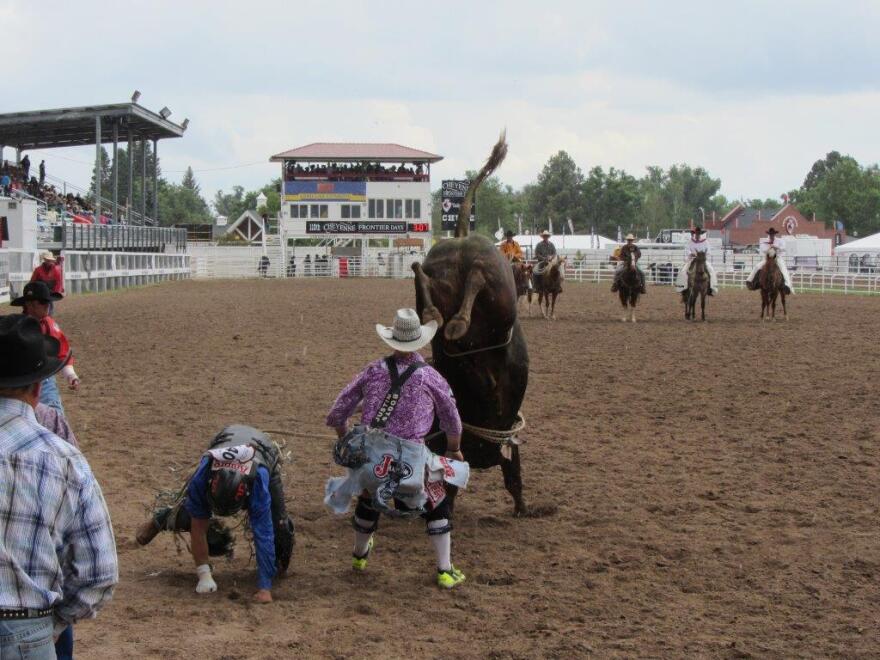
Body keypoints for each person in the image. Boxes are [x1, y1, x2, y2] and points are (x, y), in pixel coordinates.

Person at [0, 314, 118, 658]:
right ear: (38, 388)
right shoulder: (63, 459)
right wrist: (55, 624)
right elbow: (99, 572)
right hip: (26, 628)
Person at [325, 308, 468, 589]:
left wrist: (346, 442)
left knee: (368, 496)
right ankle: (445, 570)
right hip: (411, 461)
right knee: (436, 503)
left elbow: (338, 412)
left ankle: (358, 555)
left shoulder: (373, 370)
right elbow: (451, 417)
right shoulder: (430, 376)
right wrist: (454, 449)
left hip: (371, 456)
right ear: (420, 341)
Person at [135, 425, 295, 604]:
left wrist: (265, 587)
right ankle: (163, 518)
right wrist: (204, 575)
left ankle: (276, 566)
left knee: (277, 525)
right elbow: (198, 525)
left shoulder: (258, 481)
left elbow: (263, 533)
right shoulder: (203, 476)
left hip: (264, 456)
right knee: (192, 511)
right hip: (225, 440)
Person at [11, 282, 79, 413]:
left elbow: (62, 352)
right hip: (18, 382)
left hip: (42, 379)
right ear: (29, 305)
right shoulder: (15, 327)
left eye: (47, 301)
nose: (48, 305)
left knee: (53, 412)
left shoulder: (49, 325)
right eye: (43, 302)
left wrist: (71, 375)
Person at [746, 227, 793, 294]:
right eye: (770, 234)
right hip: (768, 258)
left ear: (774, 234)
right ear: (769, 234)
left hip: (777, 258)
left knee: (783, 268)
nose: (771, 235)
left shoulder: (779, 240)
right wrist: (769, 247)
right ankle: (749, 281)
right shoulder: (765, 241)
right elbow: (763, 250)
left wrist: (776, 247)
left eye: (773, 234)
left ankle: (787, 286)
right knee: (757, 266)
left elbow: (784, 249)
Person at [674, 226, 718, 295]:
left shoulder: (705, 242)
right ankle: (682, 287)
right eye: (696, 234)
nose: (697, 235)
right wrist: (691, 253)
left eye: (698, 234)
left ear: (700, 234)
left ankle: (712, 288)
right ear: (695, 234)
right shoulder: (690, 241)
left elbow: (709, 250)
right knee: (683, 271)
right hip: (692, 259)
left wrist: (703, 255)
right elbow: (687, 249)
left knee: (711, 270)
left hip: (702, 260)